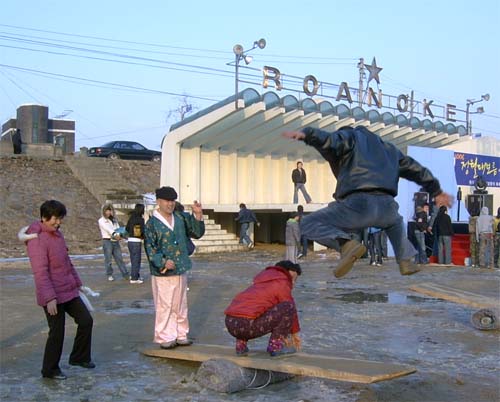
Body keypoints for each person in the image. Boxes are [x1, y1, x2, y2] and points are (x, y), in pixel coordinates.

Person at [282, 125, 453, 278]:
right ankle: (405, 259)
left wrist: (308, 134)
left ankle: (345, 244)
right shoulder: (390, 149)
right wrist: (436, 191)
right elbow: (416, 169)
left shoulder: (350, 137)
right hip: (387, 206)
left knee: (306, 223)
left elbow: (330, 140)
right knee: (395, 221)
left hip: (358, 203)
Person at [25, 200, 94, 380]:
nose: (58, 222)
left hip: (68, 289)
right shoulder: (36, 239)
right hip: (52, 295)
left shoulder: (58, 235)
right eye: (55, 218)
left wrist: (77, 283)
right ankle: (49, 370)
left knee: (86, 320)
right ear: (44, 217)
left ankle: (79, 357)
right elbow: (40, 272)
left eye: (60, 218)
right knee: (57, 332)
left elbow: (67, 262)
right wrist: (49, 298)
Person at [144, 186, 205, 349]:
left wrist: (198, 215)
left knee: (180, 303)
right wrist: (163, 262)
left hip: (180, 267)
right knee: (165, 304)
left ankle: (181, 333)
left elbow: (196, 232)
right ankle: (165, 336)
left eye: (172, 201)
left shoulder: (180, 218)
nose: (170, 204)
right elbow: (150, 247)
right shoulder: (151, 224)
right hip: (163, 272)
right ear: (158, 202)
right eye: (166, 201)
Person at [224, 260, 302, 357]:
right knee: (288, 306)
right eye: (292, 279)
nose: (293, 283)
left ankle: (241, 346)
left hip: (230, 324)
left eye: (295, 280)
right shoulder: (281, 282)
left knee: (251, 309)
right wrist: (294, 333)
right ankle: (275, 346)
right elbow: (291, 309)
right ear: (284, 273)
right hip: (246, 325)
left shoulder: (260, 283)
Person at [98, 204, 129, 281]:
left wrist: (121, 234)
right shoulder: (101, 220)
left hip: (115, 241)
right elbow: (108, 229)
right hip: (107, 241)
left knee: (119, 258)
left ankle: (125, 274)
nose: (108, 212)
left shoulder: (114, 220)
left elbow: (118, 229)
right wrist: (114, 234)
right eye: (107, 210)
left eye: (110, 210)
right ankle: (109, 274)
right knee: (108, 259)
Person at [125, 203, 145, 284]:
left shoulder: (131, 218)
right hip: (137, 241)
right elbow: (142, 231)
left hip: (130, 240)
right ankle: (134, 278)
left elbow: (127, 228)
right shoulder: (140, 219)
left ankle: (134, 274)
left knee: (133, 259)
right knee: (137, 260)